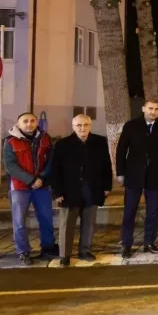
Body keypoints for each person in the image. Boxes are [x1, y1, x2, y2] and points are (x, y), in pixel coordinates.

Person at [51, 114, 112, 266]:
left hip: (92, 189)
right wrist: (57, 192)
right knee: (67, 225)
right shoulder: (63, 144)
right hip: (69, 191)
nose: (82, 128)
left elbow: (106, 166)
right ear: (73, 127)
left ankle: (84, 250)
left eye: (85, 125)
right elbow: (55, 170)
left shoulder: (99, 142)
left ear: (90, 126)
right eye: (79, 125)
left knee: (89, 223)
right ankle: (65, 255)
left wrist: (106, 186)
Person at [116, 99, 158, 258]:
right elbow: (121, 150)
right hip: (133, 175)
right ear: (143, 109)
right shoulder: (131, 125)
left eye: (156, 109)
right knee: (129, 211)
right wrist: (120, 173)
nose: (153, 111)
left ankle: (149, 242)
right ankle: (126, 244)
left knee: (153, 211)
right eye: (150, 108)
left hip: (155, 176)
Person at [3, 112, 58, 265]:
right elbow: (10, 166)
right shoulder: (10, 141)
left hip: (42, 186)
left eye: (32, 121)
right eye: (25, 121)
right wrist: (31, 179)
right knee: (19, 221)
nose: (29, 124)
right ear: (18, 124)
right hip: (20, 187)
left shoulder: (45, 138)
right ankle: (23, 251)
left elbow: (51, 161)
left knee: (46, 218)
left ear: (36, 122)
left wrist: (41, 178)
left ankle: (48, 248)